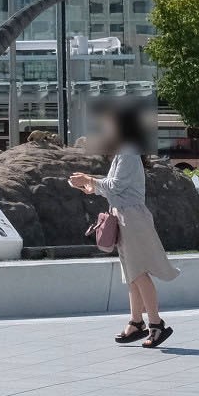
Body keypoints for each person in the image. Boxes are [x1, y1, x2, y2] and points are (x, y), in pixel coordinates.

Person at [68, 101, 180, 349]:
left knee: (138, 273)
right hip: (125, 215)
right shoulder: (125, 151)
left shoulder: (128, 152)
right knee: (132, 274)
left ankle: (155, 324)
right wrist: (92, 187)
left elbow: (115, 186)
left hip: (132, 219)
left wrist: (89, 179)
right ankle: (136, 322)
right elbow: (114, 187)